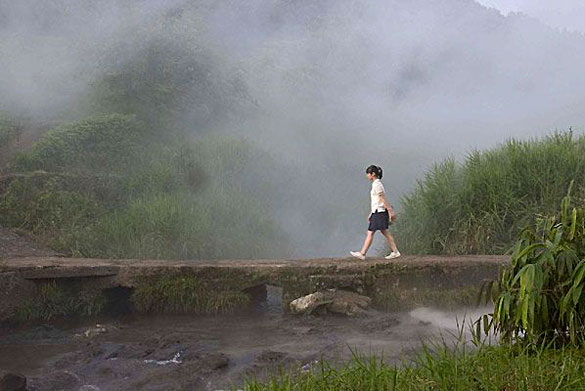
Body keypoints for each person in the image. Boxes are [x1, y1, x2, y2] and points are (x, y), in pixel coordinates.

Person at [350, 165, 401, 260]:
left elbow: (382, 199)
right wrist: (371, 213)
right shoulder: (376, 184)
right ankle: (395, 252)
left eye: (368, 174)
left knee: (371, 232)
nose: (367, 176)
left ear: (372, 174)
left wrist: (390, 211)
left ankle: (362, 253)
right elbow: (377, 201)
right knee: (384, 232)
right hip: (377, 212)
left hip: (379, 212)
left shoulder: (377, 184)